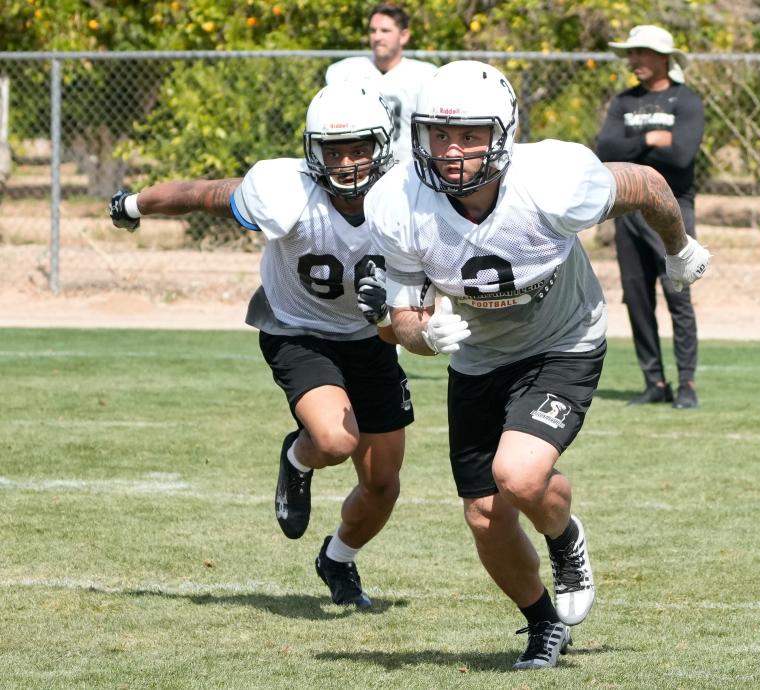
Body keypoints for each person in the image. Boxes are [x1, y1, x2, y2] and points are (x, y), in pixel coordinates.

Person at [365, 60, 710, 670]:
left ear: (503, 133)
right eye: (440, 135)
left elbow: (651, 185)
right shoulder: (397, 201)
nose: (452, 151)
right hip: (479, 356)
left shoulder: (552, 179)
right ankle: (542, 624)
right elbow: (402, 326)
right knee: (482, 514)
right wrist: (424, 334)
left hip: (564, 339)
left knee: (520, 475)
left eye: (469, 134)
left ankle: (564, 535)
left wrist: (678, 249)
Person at [108, 83, 413, 610]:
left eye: (358, 148)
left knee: (383, 485)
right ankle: (297, 458)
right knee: (335, 441)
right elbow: (202, 194)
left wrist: (394, 308)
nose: (345, 162)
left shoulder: (410, 197)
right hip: (297, 327)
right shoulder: (286, 189)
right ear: (312, 152)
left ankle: (337, 558)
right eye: (332, 150)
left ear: (382, 145)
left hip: (370, 337)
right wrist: (136, 202)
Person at [596, 24, 706, 409]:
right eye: (631, 53)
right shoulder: (625, 102)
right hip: (629, 211)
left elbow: (681, 157)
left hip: (673, 210)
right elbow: (605, 149)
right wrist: (649, 139)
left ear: (664, 58)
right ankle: (654, 382)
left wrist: (633, 154)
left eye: (641, 52)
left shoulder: (685, 101)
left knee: (678, 294)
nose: (634, 60)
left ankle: (687, 383)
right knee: (637, 298)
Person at [325, 4, 437, 166]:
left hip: (410, 170)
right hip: (361, 169)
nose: (377, 37)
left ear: (404, 36)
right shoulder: (346, 72)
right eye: (373, 30)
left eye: (385, 31)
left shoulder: (424, 75)